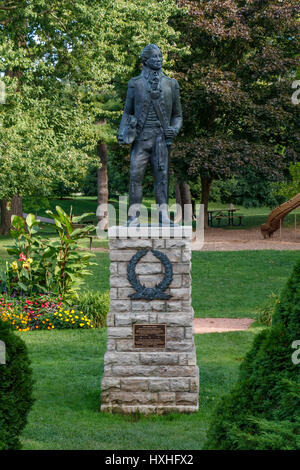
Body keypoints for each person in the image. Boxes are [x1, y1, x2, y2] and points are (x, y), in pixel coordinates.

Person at [118, 44, 182, 226]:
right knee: (135, 176)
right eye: (154, 56)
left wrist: (174, 129)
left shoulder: (171, 84)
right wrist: (122, 133)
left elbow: (177, 115)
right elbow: (127, 112)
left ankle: (163, 217)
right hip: (140, 139)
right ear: (145, 60)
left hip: (161, 139)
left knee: (162, 178)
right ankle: (133, 218)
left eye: (160, 56)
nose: (159, 59)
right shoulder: (135, 83)